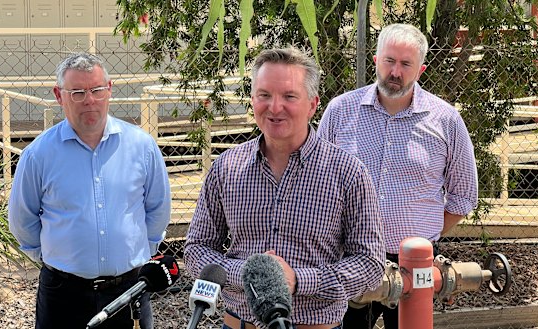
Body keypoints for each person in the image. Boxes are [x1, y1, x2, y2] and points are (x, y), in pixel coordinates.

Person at [184, 47, 385, 329]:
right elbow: (197, 248)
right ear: (253, 100)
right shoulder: (226, 168)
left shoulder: (347, 172)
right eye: (264, 95)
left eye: (289, 96)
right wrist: (249, 274)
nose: (274, 107)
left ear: (312, 105)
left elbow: (369, 264)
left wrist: (298, 280)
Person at [318, 23, 478, 329]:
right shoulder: (340, 112)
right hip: (350, 257)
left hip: (415, 264)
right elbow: (319, 184)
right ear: (376, 60)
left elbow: (463, 195)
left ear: (421, 70)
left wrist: (423, 235)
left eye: (406, 64)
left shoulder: (446, 120)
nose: (395, 72)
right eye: (389, 61)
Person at [8, 52, 171, 329]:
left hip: (129, 291)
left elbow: (157, 209)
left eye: (96, 90)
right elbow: (22, 221)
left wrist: (138, 252)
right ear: (59, 96)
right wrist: (53, 259)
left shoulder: (141, 147)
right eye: (78, 92)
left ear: (109, 90)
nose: (89, 100)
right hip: (63, 294)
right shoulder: (38, 155)